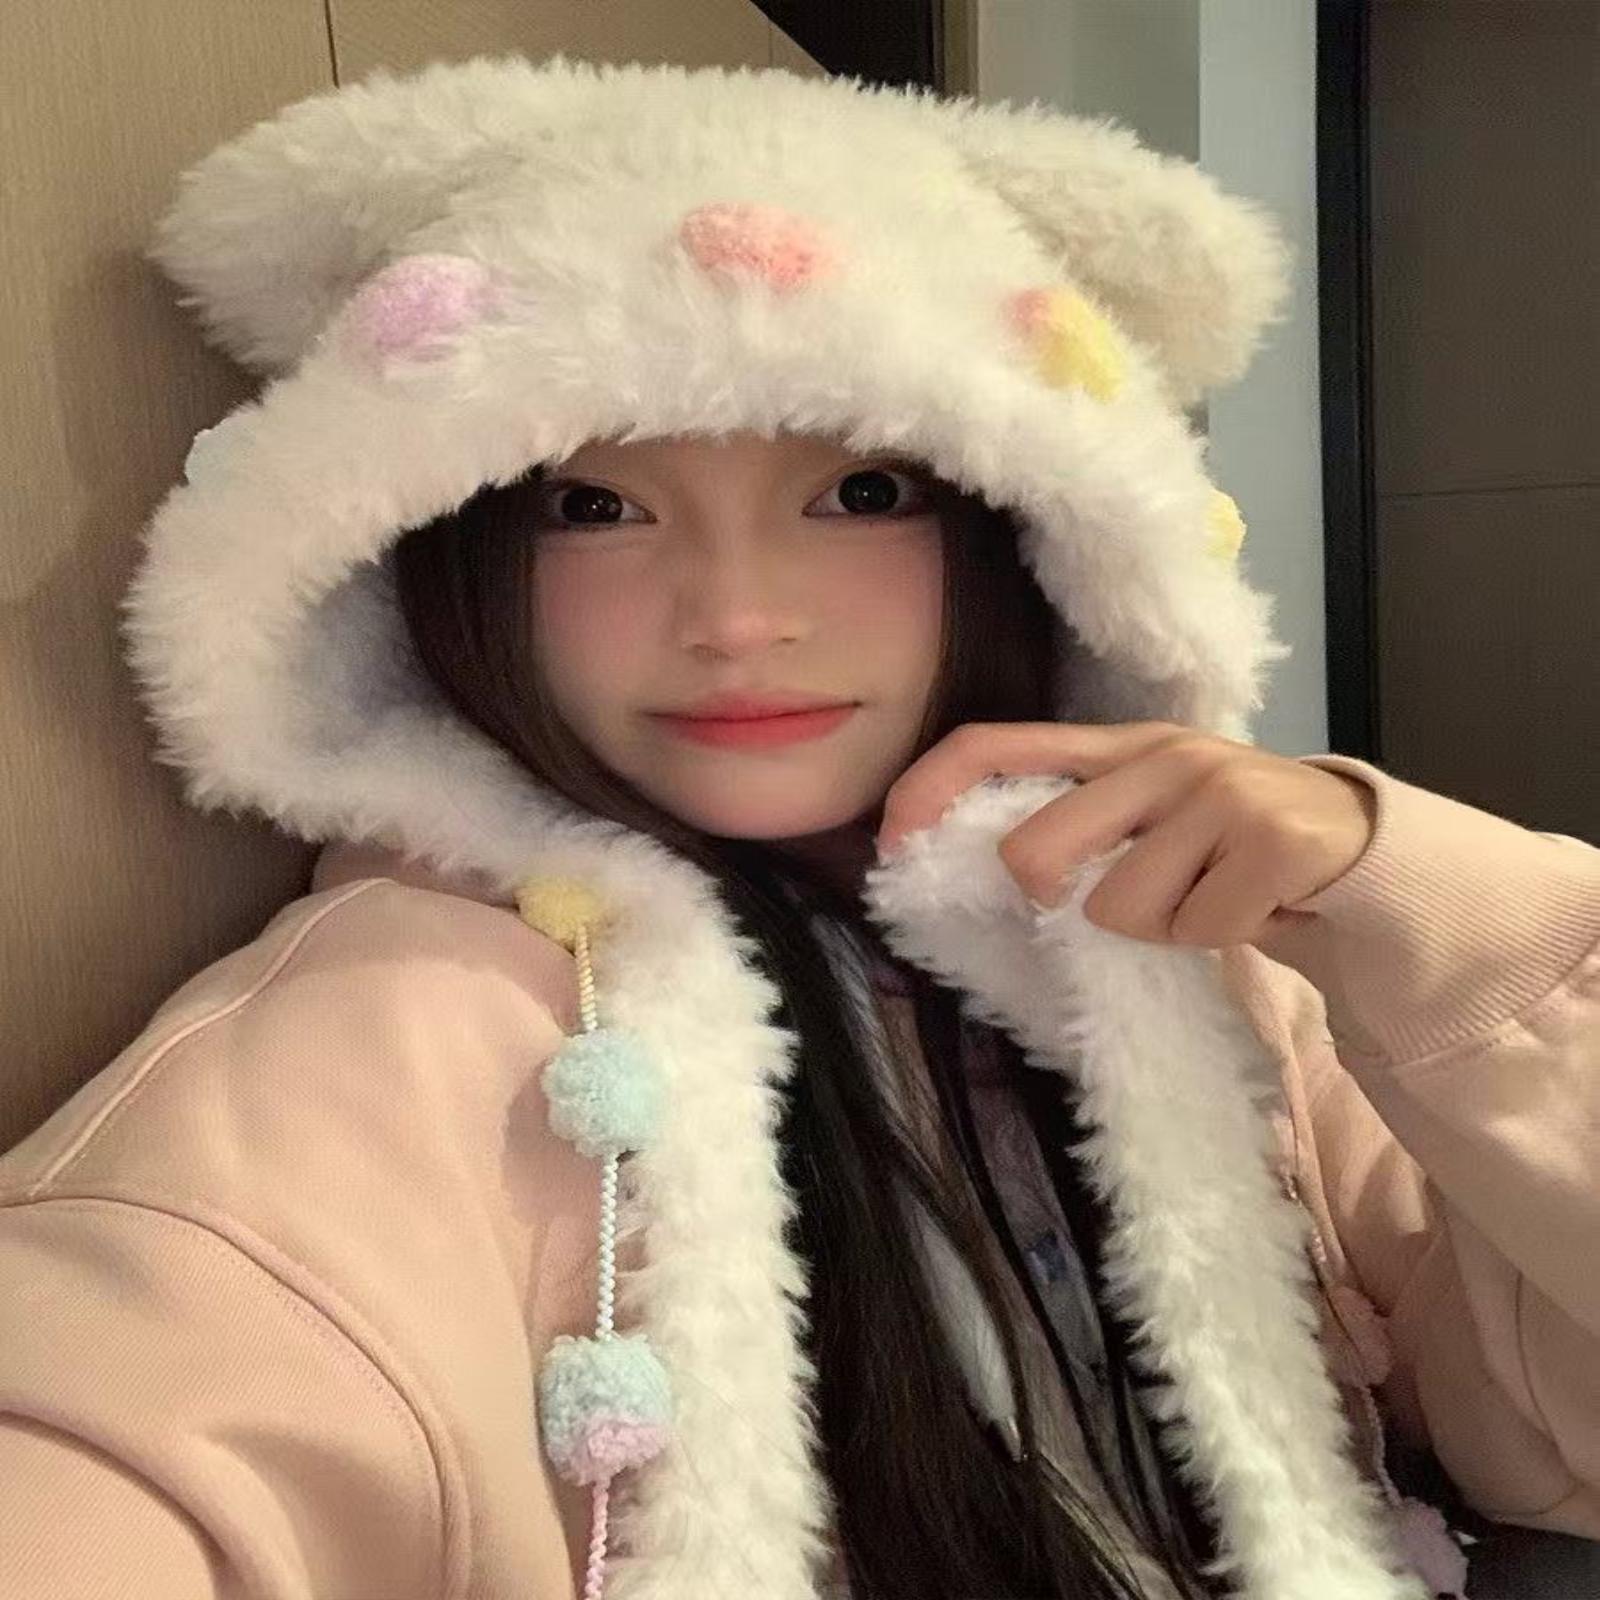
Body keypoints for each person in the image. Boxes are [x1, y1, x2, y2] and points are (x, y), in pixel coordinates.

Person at [1, 53, 1596, 1600]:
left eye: (863, 493)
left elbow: (1562, 1436)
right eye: (592, 505)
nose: (739, 617)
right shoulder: (388, 1030)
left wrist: (1423, 907)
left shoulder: (1190, 958)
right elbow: (128, 1421)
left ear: (1027, 527)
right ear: (436, 547)